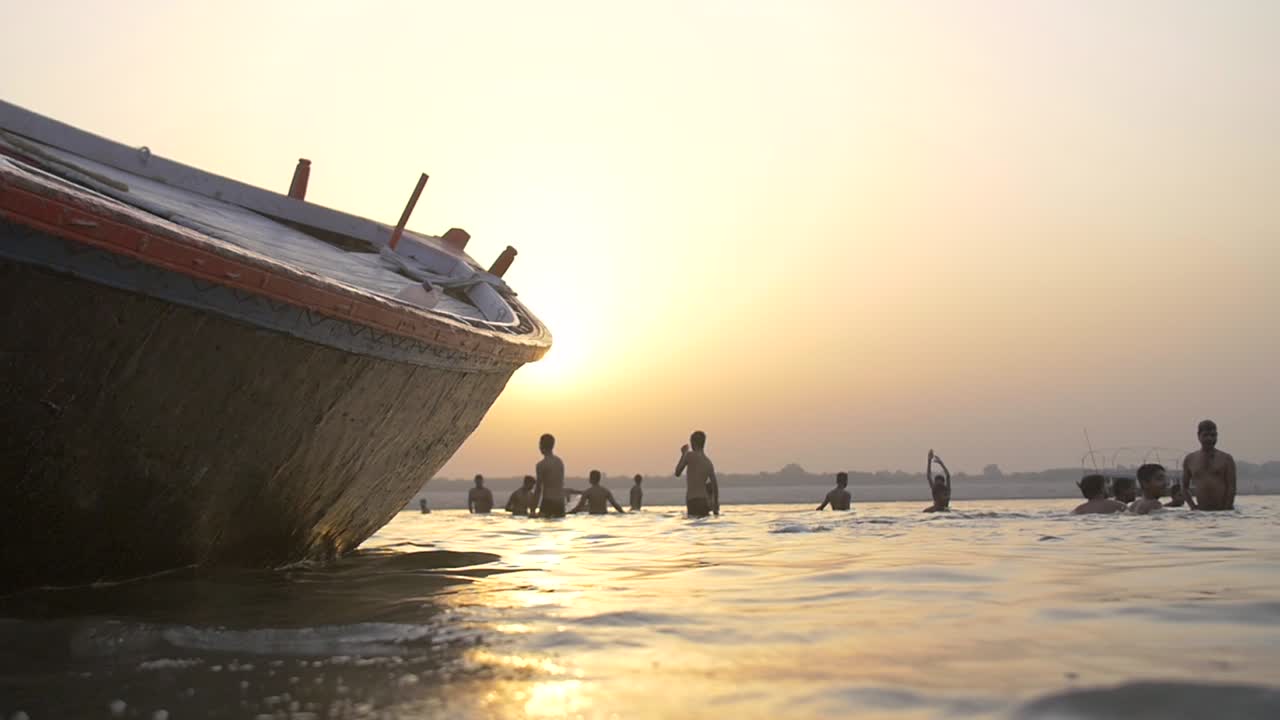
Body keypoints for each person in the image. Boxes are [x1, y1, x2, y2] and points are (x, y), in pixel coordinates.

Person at [1181, 419, 1237, 511]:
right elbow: (1184, 487)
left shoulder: (1226, 459)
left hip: (1224, 513)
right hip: (1201, 513)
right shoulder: (1190, 459)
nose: (1210, 439)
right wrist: (1193, 507)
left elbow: (1232, 487)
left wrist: (1226, 510)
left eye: (1213, 435)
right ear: (1198, 436)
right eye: (1206, 435)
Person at [675, 430, 719, 518]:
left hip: (692, 500)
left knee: (692, 527)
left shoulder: (689, 456)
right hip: (704, 501)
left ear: (693, 443)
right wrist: (715, 505)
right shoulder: (708, 463)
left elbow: (677, 472)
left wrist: (683, 454)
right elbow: (715, 487)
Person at [532, 433, 568, 518]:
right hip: (560, 502)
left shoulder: (541, 465)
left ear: (541, 446)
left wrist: (533, 509)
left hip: (548, 501)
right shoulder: (559, 462)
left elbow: (538, 488)